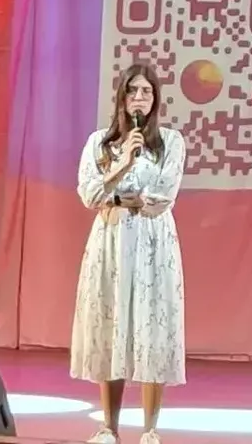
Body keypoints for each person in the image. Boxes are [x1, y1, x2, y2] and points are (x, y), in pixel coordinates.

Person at [70, 62, 187, 444]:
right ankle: (110, 426)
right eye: (133, 91)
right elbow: (89, 194)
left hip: (153, 244)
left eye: (147, 92)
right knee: (111, 324)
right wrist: (121, 166)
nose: (140, 98)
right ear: (121, 98)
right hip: (110, 241)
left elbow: (162, 197)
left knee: (152, 326)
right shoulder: (99, 143)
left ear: (155, 99)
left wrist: (117, 198)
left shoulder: (170, 142)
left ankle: (150, 428)